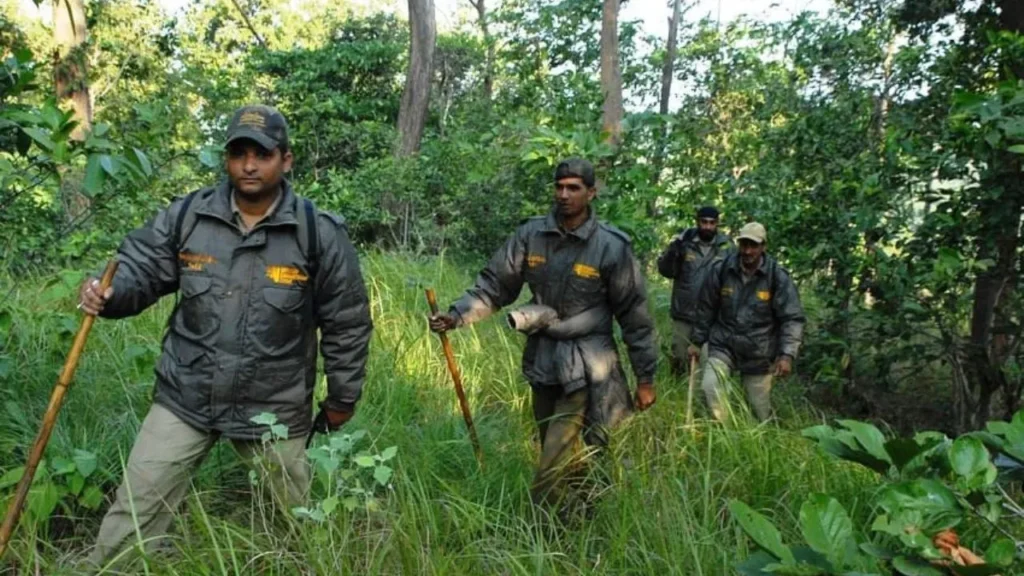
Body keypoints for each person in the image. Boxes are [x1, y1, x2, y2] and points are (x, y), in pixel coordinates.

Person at [76, 104, 373, 565]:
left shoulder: (317, 232)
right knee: (133, 512)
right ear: (227, 159)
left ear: (286, 160)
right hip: (185, 395)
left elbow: (347, 320)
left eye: (262, 154)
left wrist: (342, 397)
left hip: (274, 405)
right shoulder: (189, 215)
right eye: (238, 154)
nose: (249, 165)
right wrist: (108, 292)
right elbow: (139, 267)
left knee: (302, 524)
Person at [428, 157, 658, 509]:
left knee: (552, 460)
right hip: (543, 360)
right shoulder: (531, 235)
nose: (564, 195)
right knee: (555, 443)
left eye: (574, 188)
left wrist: (646, 378)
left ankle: (542, 532)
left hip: (587, 364)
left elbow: (635, 315)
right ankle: (584, 513)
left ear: (591, 193)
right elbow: (494, 286)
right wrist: (456, 315)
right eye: (559, 187)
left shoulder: (612, 246)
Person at [689, 222, 804, 422]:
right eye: (744, 245)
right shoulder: (722, 269)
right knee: (710, 387)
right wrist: (696, 342)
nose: (748, 251)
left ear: (763, 246)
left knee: (759, 411)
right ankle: (721, 432)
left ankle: (762, 443)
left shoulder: (777, 276)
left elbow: (792, 318)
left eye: (753, 245)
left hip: (759, 350)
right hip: (723, 344)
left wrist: (786, 355)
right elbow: (706, 308)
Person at [656, 206, 733, 376]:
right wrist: (674, 249)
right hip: (684, 312)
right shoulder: (685, 243)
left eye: (711, 223)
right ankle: (677, 396)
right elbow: (666, 271)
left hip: (712, 317)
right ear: (697, 222)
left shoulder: (726, 247)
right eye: (704, 222)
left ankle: (701, 398)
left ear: (717, 224)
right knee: (679, 358)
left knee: (706, 364)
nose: (707, 226)